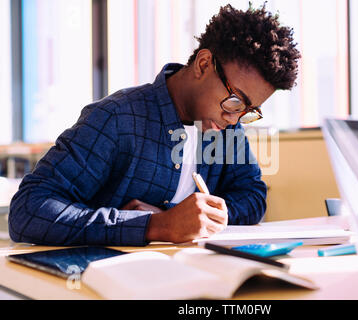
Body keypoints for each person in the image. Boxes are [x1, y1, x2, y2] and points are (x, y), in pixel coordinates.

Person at [8, 4, 300, 246]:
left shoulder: (225, 128)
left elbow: (252, 195)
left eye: (249, 110)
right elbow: (28, 211)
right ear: (202, 64)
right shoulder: (116, 118)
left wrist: (181, 216)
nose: (236, 119)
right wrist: (154, 226)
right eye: (236, 101)